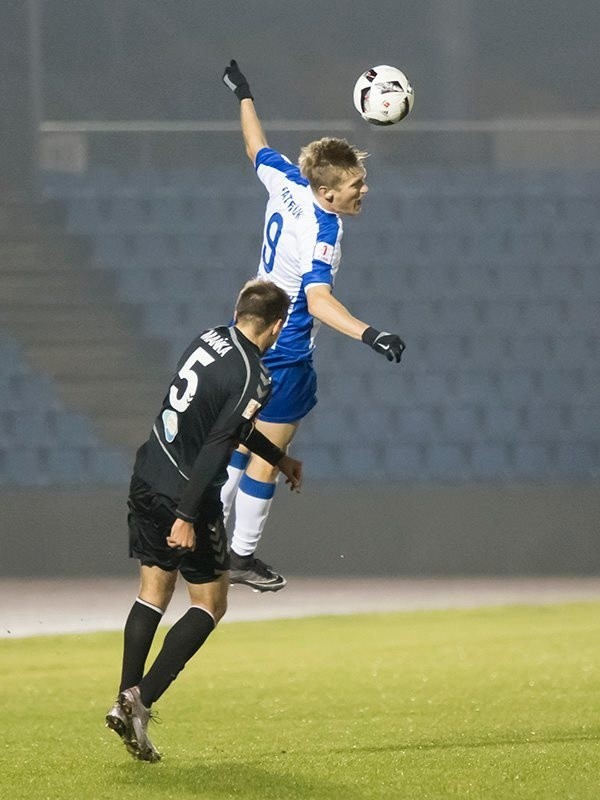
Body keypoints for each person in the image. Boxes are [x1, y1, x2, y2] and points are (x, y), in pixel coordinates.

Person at [221, 59, 406, 593]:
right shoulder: (324, 227)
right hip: (285, 350)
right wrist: (371, 333)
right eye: (354, 185)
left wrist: (243, 94)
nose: (362, 191)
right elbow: (318, 299)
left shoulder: (284, 180)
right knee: (263, 458)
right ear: (327, 193)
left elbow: (256, 146)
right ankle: (240, 554)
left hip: (246, 338)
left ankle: (199, 535)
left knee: (235, 446)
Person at [105, 278, 303, 762]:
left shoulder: (208, 338)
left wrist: (275, 457)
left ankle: (124, 702)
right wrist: (187, 515)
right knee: (211, 603)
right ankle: (140, 699)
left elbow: (219, 423)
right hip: (184, 493)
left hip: (148, 471)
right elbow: (218, 445)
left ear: (239, 312)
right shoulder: (256, 377)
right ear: (277, 327)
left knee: (152, 594)